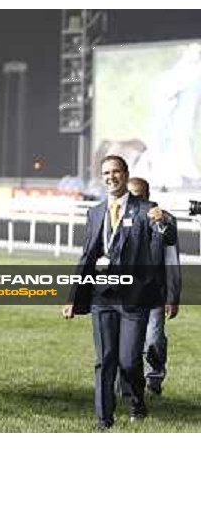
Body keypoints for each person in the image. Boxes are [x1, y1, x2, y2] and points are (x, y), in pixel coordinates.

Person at [62, 156, 176, 430]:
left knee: (128, 360)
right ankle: (104, 420)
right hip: (102, 297)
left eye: (115, 172)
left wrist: (164, 222)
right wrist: (72, 298)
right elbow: (87, 255)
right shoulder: (96, 212)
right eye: (105, 173)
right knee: (105, 360)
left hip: (133, 299)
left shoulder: (146, 209)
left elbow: (167, 236)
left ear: (125, 174)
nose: (110, 177)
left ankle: (137, 402)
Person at [125, 177, 180, 396]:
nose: (135, 201)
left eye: (139, 196)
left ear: (148, 196)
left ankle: (154, 379)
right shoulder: (119, 217)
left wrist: (173, 295)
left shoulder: (165, 220)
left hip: (155, 292)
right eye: (131, 196)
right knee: (128, 343)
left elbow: (171, 260)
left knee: (154, 339)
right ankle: (126, 387)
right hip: (126, 292)